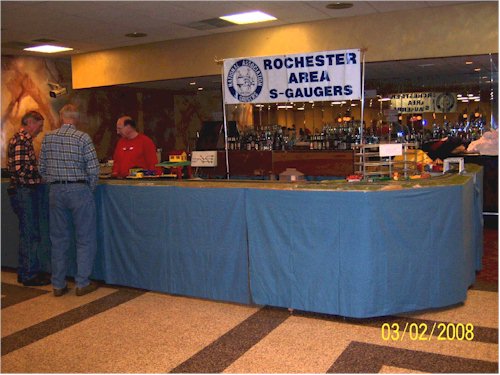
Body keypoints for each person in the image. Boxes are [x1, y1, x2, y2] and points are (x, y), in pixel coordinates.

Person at [39, 104, 100, 297]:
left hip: (56, 191)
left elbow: (41, 167)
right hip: (79, 189)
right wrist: (87, 189)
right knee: (85, 238)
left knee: (58, 239)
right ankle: (82, 283)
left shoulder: (48, 138)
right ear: (76, 118)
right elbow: (93, 169)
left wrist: (54, 182)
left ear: (60, 117)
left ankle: (58, 284)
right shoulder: (83, 138)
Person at [7, 110, 51, 286]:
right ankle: (29, 274)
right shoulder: (21, 140)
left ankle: (25, 271)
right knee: (30, 233)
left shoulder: (22, 140)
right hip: (24, 191)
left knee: (28, 232)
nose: (40, 130)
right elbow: (19, 170)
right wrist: (39, 174)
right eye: (39, 126)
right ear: (31, 123)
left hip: (22, 190)